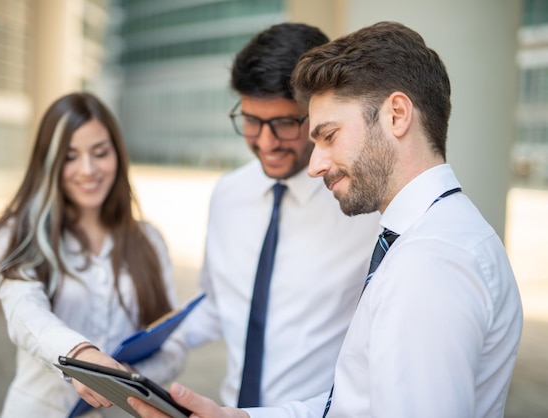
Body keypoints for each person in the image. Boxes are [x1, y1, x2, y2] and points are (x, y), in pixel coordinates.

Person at [127, 21, 524, 418]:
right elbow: (356, 404)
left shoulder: (431, 262)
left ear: (397, 115)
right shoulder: (422, 239)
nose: (315, 165)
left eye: (329, 135)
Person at [181, 22, 381, 408]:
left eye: (286, 123)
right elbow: (215, 305)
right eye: (253, 121)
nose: (266, 142)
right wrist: (140, 349)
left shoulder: (366, 211)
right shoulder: (228, 195)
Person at [0, 92, 186, 417]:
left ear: (117, 153)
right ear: (49, 162)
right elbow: (25, 313)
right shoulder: (17, 235)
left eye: (99, 153)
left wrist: (126, 379)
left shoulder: (148, 240)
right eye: (70, 156)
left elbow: (174, 347)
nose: (87, 169)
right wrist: (81, 356)